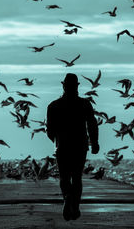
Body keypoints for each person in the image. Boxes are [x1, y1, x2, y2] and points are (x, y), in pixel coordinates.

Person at [46, 73, 99, 221]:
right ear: (77, 86)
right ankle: (74, 206)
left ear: (63, 86)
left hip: (62, 147)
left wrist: (57, 141)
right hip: (80, 146)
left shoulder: (53, 105)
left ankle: (67, 197)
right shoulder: (85, 104)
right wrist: (94, 143)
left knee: (64, 177)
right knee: (76, 177)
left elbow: (49, 130)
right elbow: (92, 125)